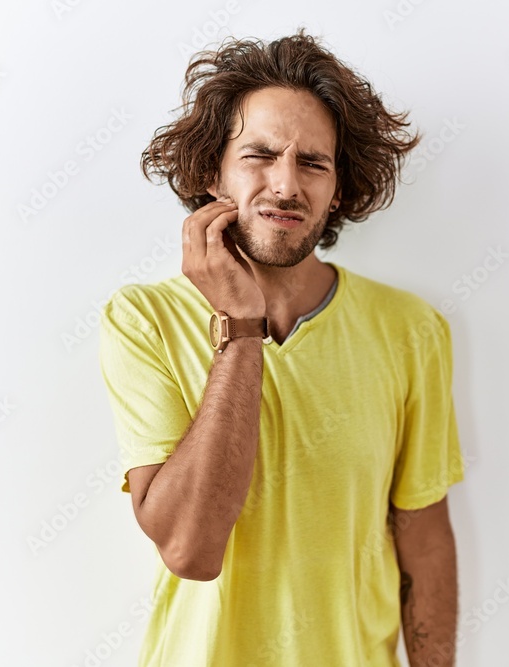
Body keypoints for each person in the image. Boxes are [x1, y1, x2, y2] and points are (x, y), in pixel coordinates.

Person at [98, 27, 466, 667]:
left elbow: (424, 540)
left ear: (340, 188)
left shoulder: (412, 330)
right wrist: (241, 329)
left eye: (313, 162)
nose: (286, 184)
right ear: (213, 175)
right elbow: (190, 548)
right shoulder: (143, 320)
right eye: (259, 155)